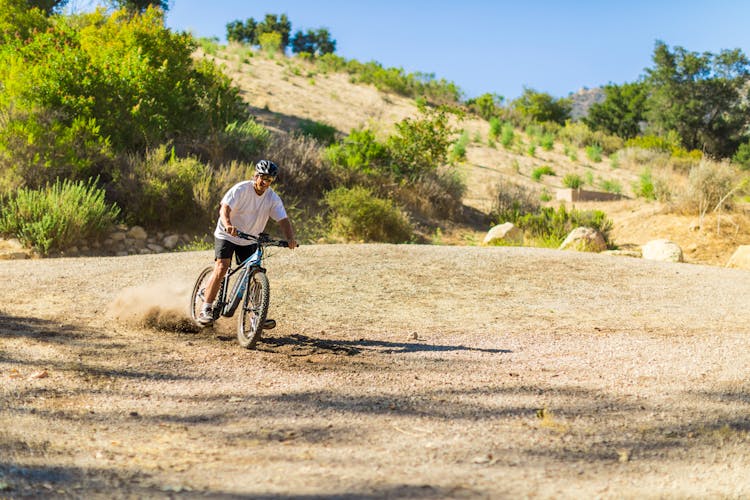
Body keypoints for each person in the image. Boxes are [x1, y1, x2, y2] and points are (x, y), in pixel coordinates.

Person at [197, 159, 297, 326]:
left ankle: (256, 317)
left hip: (249, 238)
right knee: (222, 267)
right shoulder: (241, 189)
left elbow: (283, 219)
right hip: (227, 234)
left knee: (254, 275)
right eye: (263, 178)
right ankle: (205, 309)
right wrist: (228, 225)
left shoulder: (272, 198)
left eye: (270, 179)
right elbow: (225, 208)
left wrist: (290, 238)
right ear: (256, 176)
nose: (265, 182)